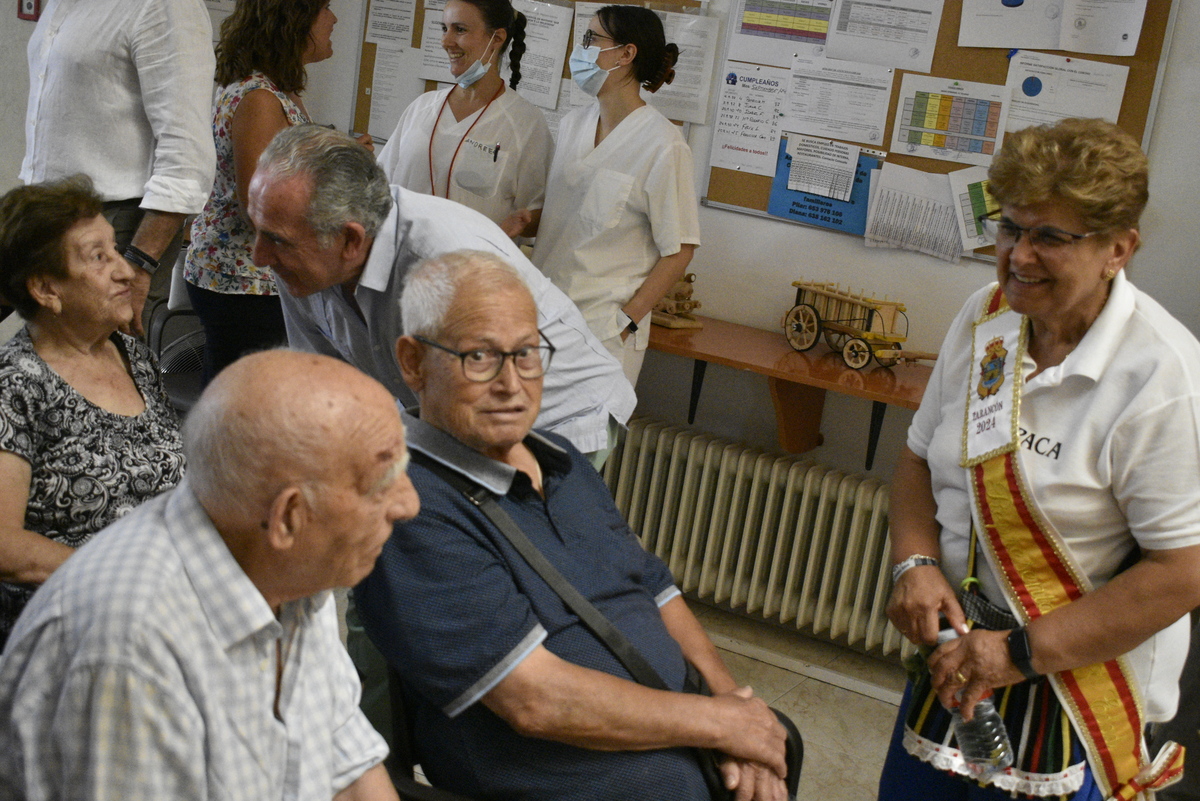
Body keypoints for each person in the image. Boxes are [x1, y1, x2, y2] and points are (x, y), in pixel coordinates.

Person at [355, 250, 790, 801]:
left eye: (527, 354)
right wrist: (717, 725)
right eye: (481, 357)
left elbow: (654, 588)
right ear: (413, 362)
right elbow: (532, 700)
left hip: (665, 724)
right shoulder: (410, 502)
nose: (512, 384)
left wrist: (736, 708)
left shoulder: (560, 455)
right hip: (540, 764)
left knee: (775, 748)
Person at [879, 118, 1200, 801]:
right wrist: (916, 561)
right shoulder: (984, 317)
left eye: (1050, 237)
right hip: (961, 661)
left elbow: (1182, 572)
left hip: (1072, 687)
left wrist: (1017, 653)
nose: (1018, 257)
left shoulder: (1161, 377)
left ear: (1119, 247)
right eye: (1009, 229)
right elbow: (914, 460)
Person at [0, 349, 418, 800]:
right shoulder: (130, 647)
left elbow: (350, 769)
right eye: (382, 483)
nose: (409, 504)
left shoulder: (291, 572)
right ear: (288, 519)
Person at [248, 123, 634, 458]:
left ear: (350, 240)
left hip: (557, 416)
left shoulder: (443, 259)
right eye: (257, 230)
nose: (258, 255)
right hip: (451, 420)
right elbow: (325, 385)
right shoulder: (304, 264)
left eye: (276, 240)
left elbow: (484, 409)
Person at [0, 177, 185, 649]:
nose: (126, 271)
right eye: (98, 257)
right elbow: (6, 546)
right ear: (46, 289)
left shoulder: (132, 356)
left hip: (164, 612)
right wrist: (130, 581)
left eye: (115, 249)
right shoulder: (16, 385)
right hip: (74, 629)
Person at [21, 0, 217, 335]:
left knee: (98, 370)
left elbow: (187, 155)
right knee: (47, 361)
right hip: (46, 219)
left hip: (117, 227)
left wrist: (140, 266)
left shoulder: (165, 5)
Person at [531, 5, 700, 384]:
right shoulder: (574, 124)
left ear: (626, 54)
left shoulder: (663, 145)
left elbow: (680, 250)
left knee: (585, 443)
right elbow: (571, 214)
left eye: (592, 39)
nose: (582, 48)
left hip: (603, 334)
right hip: (543, 319)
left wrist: (626, 321)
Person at [184, 0, 344, 385]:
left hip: (254, 277)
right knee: (240, 405)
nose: (334, 19)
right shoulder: (259, 98)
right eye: (324, 8)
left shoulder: (273, 90)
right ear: (294, 19)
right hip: (242, 280)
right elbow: (258, 207)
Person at [376, 0, 551, 238]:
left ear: (497, 38)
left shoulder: (525, 123)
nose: (446, 42)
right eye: (444, 28)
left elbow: (535, 211)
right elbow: (380, 184)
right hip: (401, 258)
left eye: (460, 30)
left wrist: (509, 228)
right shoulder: (422, 108)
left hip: (471, 267)